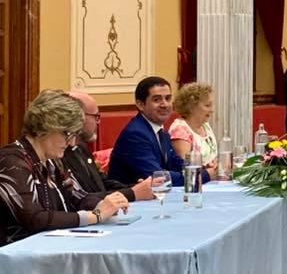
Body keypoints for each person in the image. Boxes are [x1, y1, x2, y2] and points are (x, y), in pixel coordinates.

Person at [0, 90, 129, 244]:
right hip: (17, 252)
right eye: (67, 134)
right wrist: (95, 215)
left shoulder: (52, 160)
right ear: (44, 128)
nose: (72, 142)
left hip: (50, 245)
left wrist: (104, 204)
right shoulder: (11, 161)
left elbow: (78, 197)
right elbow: (35, 218)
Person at [62, 90, 153, 202]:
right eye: (95, 116)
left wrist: (136, 188)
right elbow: (80, 199)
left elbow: (102, 183)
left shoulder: (81, 148)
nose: (98, 122)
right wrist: (132, 193)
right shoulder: (60, 153)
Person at [108, 77, 189, 187]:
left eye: (168, 98)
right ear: (140, 105)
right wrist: (200, 175)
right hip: (127, 196)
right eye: (157, 100)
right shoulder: (136, 134)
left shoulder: (160, 131)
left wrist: (201, 169)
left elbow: (176, 163)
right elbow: (158, 178)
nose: (165, 105)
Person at [169, 83, 221, 176]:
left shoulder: (205, 125)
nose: (212, 110)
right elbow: (185, 169)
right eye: (207, 105)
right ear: (191, 107)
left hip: (212, 178)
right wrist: (207, 170)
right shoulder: (180, 129)